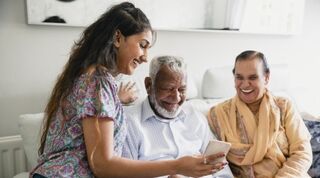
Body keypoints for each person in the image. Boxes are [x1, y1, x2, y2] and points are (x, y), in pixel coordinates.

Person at [30, 2, 218, 178]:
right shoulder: (97, 82)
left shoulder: (96, 80)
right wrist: (176, 166)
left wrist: (116, 100)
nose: (145, 57)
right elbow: (102, 165)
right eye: (143, 45)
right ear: (118, 38)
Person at [123, 55, 234, 178]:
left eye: (182, 89)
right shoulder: (129, 122)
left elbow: (223, 172)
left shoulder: (196, 117)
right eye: (168, 89)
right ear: (149, 85)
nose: (176, 98)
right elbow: (125, 174)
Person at [207, 50, 312, 177]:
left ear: (266, 77)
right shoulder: (218, 115)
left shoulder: (283, 107)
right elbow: (212, 163)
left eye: (253, 77)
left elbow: (302, 152)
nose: (245, 84)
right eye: (239, 77)